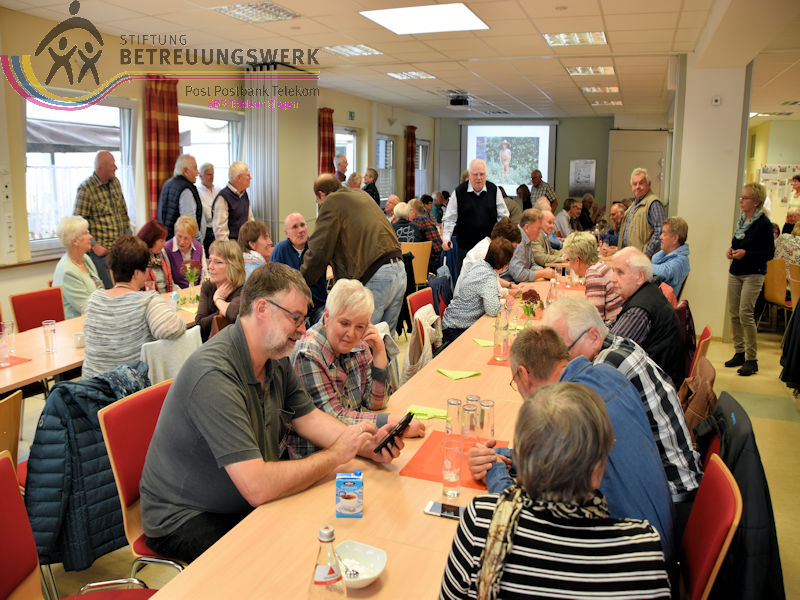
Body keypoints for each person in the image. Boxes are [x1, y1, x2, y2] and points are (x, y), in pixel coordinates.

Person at [140, 263, 404, 563]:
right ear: (262, 309)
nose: (303, 329)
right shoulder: (214, 375)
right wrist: (335, 456)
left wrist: (365, 445)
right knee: (283, 563)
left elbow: (310, 419)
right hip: (187, 516)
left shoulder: (273, 356)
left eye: (304, 320)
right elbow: (257, 487)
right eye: (295, 318)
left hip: (242, 497)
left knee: (320, 541)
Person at [441, 382, 670, 600]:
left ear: (521, 460)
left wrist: (497, 471)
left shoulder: (481, 521)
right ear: (597, 469)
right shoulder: (643, 551)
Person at [468, 327, 675, 559]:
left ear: (523, 375)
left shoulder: (567, 413)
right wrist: (501, 456)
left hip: (624, 556)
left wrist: (495, 471)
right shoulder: (609, 375)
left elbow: (526, 520)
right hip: (657, 539)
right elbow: (556, 458)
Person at [542, 296, 702, 533]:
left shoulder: (606, 369)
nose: (560, 362)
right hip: (670, 480)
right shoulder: (617, 345)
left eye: (563, 351)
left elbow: (568, 442)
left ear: (593, 336)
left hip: (667, 500)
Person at [289, 279, 425, 457]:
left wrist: (379, 353)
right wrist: (390, 421)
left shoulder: (360, 344)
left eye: (360, 326)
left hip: (354, 445)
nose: (351, 334)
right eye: (344, 323)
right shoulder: (308, 353)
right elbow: (335, 419)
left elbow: (375, 403)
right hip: (317, 456)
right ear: (327, 316)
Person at [302, 174, 407, 334]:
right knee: (384, 340)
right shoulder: (360, 194)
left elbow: (318, 251)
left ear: (321, 195)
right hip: (399, 269)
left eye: (318, 201)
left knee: (360, 340)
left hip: (376, 274)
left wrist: (301, 285)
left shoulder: (332, 202)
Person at [82, 235, 185, 378]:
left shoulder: (94, 300)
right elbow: (173, 329)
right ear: (136, 273)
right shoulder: (147, 301)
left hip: (90, 386)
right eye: (147, 268)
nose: (148, 272)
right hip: (126, 387)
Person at [609, 247, 685, 388]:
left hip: (658, 388)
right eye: (612, 271)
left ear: (640, 277)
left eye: (620, 272)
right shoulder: (648, 293)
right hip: (661, 379)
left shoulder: (639, 310)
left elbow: (610, 355)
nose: (612, 279)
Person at [725, 182, 775, 376]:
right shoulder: (741, 220)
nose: (741, 201)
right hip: (736, 271)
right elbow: (737, 243)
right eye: (741, 197)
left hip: (753, 273)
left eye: (745, 198)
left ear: (756, 202)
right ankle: (739, 352)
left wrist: (746, 253)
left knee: (745, 313)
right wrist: (731, 251)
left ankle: (751, 359)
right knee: (734, 313)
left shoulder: (764, 224)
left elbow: (769, 253)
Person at [74, 150, 132, 288]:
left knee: (125, 289)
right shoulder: (86, 189)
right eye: (112, 165)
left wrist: (128, 238)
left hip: (120, 250)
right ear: (101, 168)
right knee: (109, 292)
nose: (116, 168)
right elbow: (78, 223)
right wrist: (94, 246)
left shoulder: (115, 183)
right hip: (102, 254)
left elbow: (123, 212)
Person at [442, 238, 514, 344]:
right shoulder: (488, 277)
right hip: (455, 329)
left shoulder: (480, 264)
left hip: (452, 321)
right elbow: (492, 310)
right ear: (505, 265)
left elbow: (490, 295)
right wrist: (506, 305)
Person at [442, 158, 510, 269]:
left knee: (488, 278)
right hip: (465, 249)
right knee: (465, 278)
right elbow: (449, 219)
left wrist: (502, 240)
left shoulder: (494, 190)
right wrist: (446, 239)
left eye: (482, 174)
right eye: (475, 174)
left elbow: (504, 217)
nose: (479, 178)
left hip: (489, 248)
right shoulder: (459, 192)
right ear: (469, 175)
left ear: (486, 175)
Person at [271, 213, 328, 325]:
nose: (301, 230)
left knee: (326, 324)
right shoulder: (280, 250)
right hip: (293, 309)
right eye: (295, 227)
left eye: (302, 225)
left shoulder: (316, 247)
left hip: (319, 306)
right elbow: (273, 284)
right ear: (287, 233)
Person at [563, 231, 624, 324]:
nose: (568, 264)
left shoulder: (594, 275)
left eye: (568, 260)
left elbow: (595, 320)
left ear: (577, 260)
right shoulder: (601, 265)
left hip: (610, 328)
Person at [52, 215, 103, 318]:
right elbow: (86, 307)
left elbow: (100, 289)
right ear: (75, 241)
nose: (90, 237)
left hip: (96, 317)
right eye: (86, 233)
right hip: (77, 323)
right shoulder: (67, 271)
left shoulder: (85, 259)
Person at [195, 240, 245, 342]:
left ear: (233, 266)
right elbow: (199, 325)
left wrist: (218, 299)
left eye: (217, 262)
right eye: (210, 261)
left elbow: (234, 315)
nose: (210, 267)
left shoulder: (242, 290)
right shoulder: (208, 286)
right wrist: (221, 311)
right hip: (209, 344)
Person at [618, 167, 666, 257]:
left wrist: (647, 253)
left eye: (641, 183)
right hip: (631, 257)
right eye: (634, 184)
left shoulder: (654, 203)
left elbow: (660, 231)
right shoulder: (634, 205)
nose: (637, 187)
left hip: (643, 259)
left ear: (649, 184)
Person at [157, 154, 201, 240]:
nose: (197, 172)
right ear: (185, 171)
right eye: (195, 168)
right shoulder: (186, 190)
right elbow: (189, 223)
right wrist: (198, 240)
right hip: (184, 241)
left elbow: (161, 214)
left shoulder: (167, 184)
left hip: (168, 239)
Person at [507, 209, 556, 283]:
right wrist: (543, 273)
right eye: (538, 228)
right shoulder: (518, 241)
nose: (540, 232)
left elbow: (532, 264)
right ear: (527, 227)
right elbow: (519, 275)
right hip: (509, 284)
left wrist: (544, 271)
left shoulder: (527, 238)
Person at [212, 161, 254, 241]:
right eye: (248, 175)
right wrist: (229, 248)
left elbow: (250, 220)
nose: (250, 178)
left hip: (243, 243)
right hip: (230, 245)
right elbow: (220, 231)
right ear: (239, 178)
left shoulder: (244, 194)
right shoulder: (223, 197)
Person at [652, 216, 691, 297]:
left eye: (664, 233)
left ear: (675, 238)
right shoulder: (664, 255)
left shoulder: (681, 261)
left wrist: (641, 265)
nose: (660, 237)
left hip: (661, 303)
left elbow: (664, 271)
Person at [164, 215, 207, 289]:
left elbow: (204, 274)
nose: (182, 241)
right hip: (177, 293)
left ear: (193, 238)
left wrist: (201, 291)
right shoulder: (167, 249)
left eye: (186, 238)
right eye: (179, 236)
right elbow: (169, 281)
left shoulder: (199, 247)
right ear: (175, 233)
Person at [137, 219, 173, 293]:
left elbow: (171, 283)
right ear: (151, 240)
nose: (165, 244)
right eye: (161, 241)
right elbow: (135, 290)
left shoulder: (161, 255)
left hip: (167, 297)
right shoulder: (138, 259)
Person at [409, 198, 442, 275]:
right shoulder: (427, 218)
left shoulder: (418, 220)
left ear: (412, 211)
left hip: (429, 263)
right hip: (437, 259)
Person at [196, 162, 220, 254]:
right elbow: (207, 214)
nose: (212, 177)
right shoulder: (198, 192)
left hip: (219, 228)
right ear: (201, 176)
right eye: (209, 175)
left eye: (213, 174)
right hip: (207, 230)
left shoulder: (218, 189)